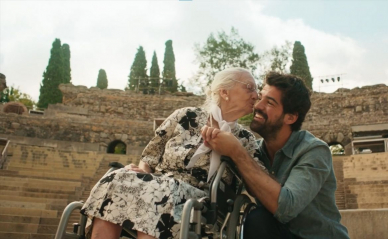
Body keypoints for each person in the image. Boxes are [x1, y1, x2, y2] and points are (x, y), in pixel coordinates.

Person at [80, 67, 264, 239]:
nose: (256, 96)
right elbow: (150, 156)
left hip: (201, 198)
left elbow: (255, 178)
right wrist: (143, 172)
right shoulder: (186, 116)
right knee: (117, 177)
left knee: (159, 190)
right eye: (250, 88)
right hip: (160, 183)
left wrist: (234, 150)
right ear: (224, 92)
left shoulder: (244, 139)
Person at [202, 72, 350, 239]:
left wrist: (237, 152)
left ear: (290, 117)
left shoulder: (314, 150)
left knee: (258, 219)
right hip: (276, 233)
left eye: (270, 103)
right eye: (261, 98)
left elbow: (286, 208)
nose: (258, 106)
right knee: (256, 219)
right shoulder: (255, 150)